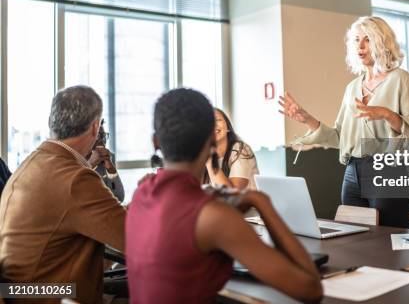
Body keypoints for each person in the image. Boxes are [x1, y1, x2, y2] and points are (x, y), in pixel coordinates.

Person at [126, 88, 322, 304]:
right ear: (211, 140)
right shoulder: (213, 217)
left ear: (156, 142)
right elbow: (311, 289)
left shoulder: (140, 194)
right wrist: (261, 202)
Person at [279, 16, 409, 227]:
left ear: (382, 42)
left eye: (368, 39)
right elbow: (339, 137)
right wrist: (308, 119)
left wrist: (386, 113)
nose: (361, 46)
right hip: (352, 172)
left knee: (387, 239)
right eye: (356, 40)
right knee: (355, 237)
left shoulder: (402, 80)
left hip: (387, 170)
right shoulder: (352, 88)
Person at [0, 86, 126, 304]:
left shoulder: (33, 164)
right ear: (96, 127)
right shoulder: (75, 179)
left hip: (17, 292)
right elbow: (135, 238)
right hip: (51, 295)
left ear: (51, 120)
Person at [204, 108, 259, 190]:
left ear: (228, 127)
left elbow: (231, 193)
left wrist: (209, 160)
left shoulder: (240, 149)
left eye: (218, 120)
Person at [88, 119, 125, 202]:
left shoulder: (109, 157)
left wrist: (111, 171)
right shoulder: (77, 160)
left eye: (104, 135)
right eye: (99, 136)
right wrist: (90, 165)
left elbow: (119, 198)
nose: (102, 140)